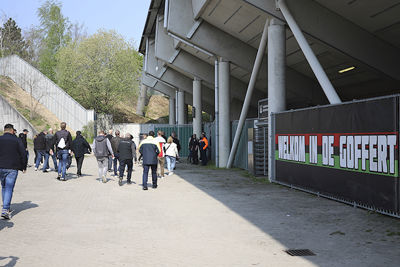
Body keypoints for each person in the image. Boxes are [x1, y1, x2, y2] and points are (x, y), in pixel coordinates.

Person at [0, 124, 27, 219]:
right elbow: (23, 153)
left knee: (3, 186)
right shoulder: (17, 140)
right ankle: (5, 209)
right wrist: (24, 166)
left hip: (1, 167)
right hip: (12, 167)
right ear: (12, 130)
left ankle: (5, 207)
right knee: (9, 188)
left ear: (4, 130)